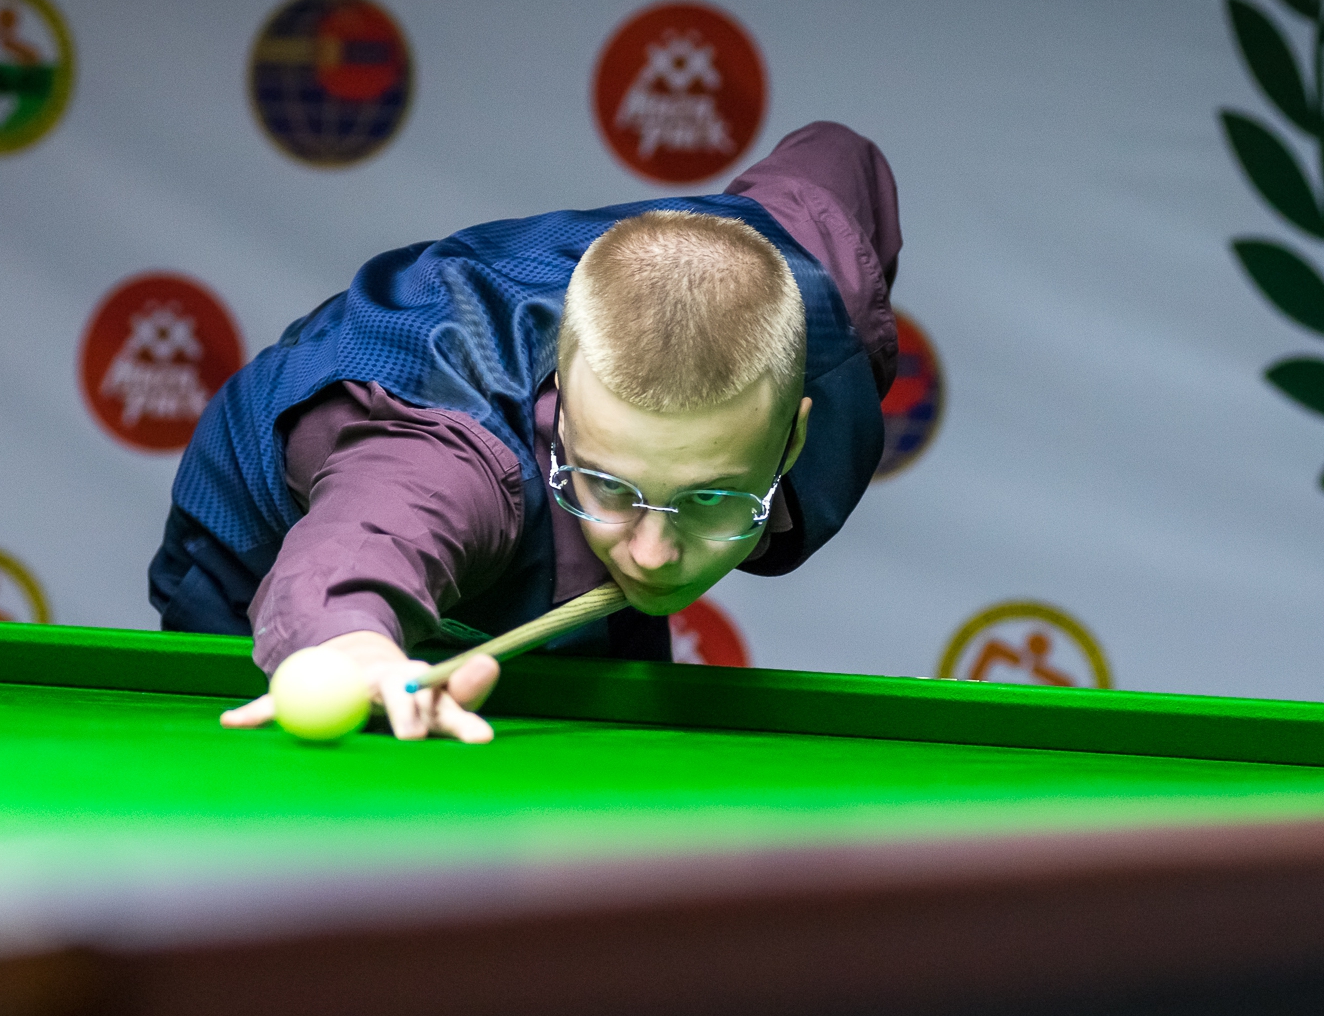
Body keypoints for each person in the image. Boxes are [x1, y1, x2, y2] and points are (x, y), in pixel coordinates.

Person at [150, 120, 903, 742]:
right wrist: (350, 646)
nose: (653, 554)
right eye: (610, 485)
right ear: (565, 414)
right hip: (257, 541)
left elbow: (835, 159)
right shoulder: (451, 459)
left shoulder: (825, 298)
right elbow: (362, 546)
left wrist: (609, 499)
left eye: (710, 498)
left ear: (792, 439)